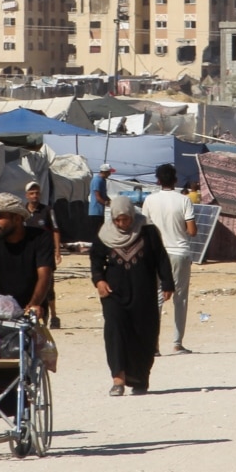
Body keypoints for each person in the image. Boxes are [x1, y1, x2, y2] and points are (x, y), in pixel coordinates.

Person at [90, 196, 174, 396]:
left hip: (143, 293)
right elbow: (95, 259)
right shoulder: (105, 234)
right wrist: (99, 280)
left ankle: (139, 378)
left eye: (125, 219)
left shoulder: (147, 231)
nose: (122, 224)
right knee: (115, 332)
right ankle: (118, 379)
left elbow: (161, 258)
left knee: (144, 332)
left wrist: (167, 282)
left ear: (131, 215)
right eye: (118, 220)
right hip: (114, 294)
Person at [0, 192, 55, 317]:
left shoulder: (40, 238)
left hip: (33, 307)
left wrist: (33, 305)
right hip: (1, 308)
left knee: (30, 335)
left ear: (17, 219)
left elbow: (45, 275)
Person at [142, 163, 197, 355]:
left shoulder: (149, 200)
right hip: (179, 252)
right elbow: (192, 231)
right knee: (180, 299)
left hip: (156, 254)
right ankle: (177, 342)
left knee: (156, 299)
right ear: (175, 180)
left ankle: (153, 345)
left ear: (158, 180)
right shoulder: (184, 201)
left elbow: (144, 230)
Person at [25, 180, 62, 329]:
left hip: (45, 254)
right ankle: (33, 313)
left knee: (48, 285)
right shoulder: (22, 212)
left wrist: (57, 251)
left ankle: (53, 315)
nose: (35, 196)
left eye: (37, 193)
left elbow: (56, 230)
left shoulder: (47, 211)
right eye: (32, 193)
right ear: (26, 195)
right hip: (28, 255)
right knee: (30, 284)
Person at [88, 162, 115, 240]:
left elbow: (104, 195)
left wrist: (112, 201)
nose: (110, 174)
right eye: (109, 172)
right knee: (95, 232)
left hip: (100, 211)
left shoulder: (103, 181)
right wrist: (106, 203)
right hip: (95, 211)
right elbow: (98, 197)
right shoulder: (97, 180)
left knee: (101, 231)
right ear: (105, 172)